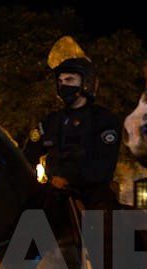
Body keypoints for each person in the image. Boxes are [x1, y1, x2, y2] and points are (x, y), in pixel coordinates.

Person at [23, 36, 122, 217]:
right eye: (60, 81)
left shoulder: (104, 120)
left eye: (69, 80)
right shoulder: (50, 121)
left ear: (86, 83)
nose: (63, 85)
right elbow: (28, 155)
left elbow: (103, 166)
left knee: (102, 225)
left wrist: (69, 180)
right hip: (53, 192)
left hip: (91, 197)